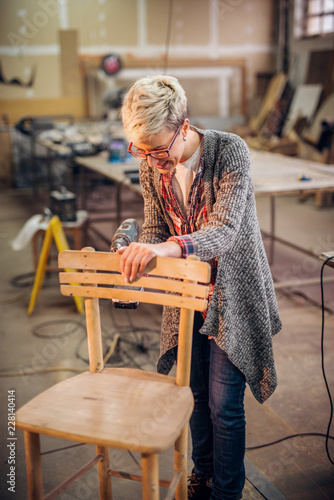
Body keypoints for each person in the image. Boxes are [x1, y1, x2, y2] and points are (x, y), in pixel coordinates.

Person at [119, 74, 282, 500]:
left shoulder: (230, 151)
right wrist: (139, 249)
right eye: (142, 150)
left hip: (230, 294)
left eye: (159, 149)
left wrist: (170, 248)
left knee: (224, 406)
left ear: (184, 125)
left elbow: (225, 230)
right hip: (185, 292)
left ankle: (227, 492)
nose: (154, 161)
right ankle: (202, 475)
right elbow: (155, 226)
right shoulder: (151, 167)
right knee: (191, 395)